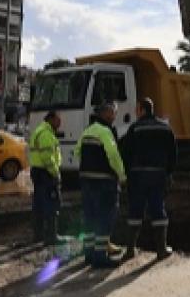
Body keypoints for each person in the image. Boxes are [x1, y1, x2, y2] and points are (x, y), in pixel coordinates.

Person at [118, 97, 177, 260]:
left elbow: (125, 153)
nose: (136, 113)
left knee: (135, 210)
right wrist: (169, 173)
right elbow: (173, 153)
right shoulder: (165, 128)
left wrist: (128, 173)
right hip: (158, 175)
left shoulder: (134, 129)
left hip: (137, 176)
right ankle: (161, 250)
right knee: (158, 209)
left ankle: (130, 250)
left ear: (143, 110)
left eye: (137, 109)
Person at [74, 102, 127, 268]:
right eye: (114, 113)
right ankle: (100, 256)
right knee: (105, 217)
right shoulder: (106, 131)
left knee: (90, 217)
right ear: (108, 113)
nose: (115, 116)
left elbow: (77, 152)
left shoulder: (88, 130)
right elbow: (113, 154)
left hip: (86, 180)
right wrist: (122, 175)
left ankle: (89, 254)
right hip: (104, 181)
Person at [28, 110, 66, 246]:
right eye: (58, 119)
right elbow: (47, 157)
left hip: (38, 172)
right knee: (52, 203)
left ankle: (38, 235)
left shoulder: (39, 131)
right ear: (50, 119)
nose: (60, 122)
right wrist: (55, 173)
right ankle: (52, 236)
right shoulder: (46, 134)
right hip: (46, 173)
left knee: (39, 204)